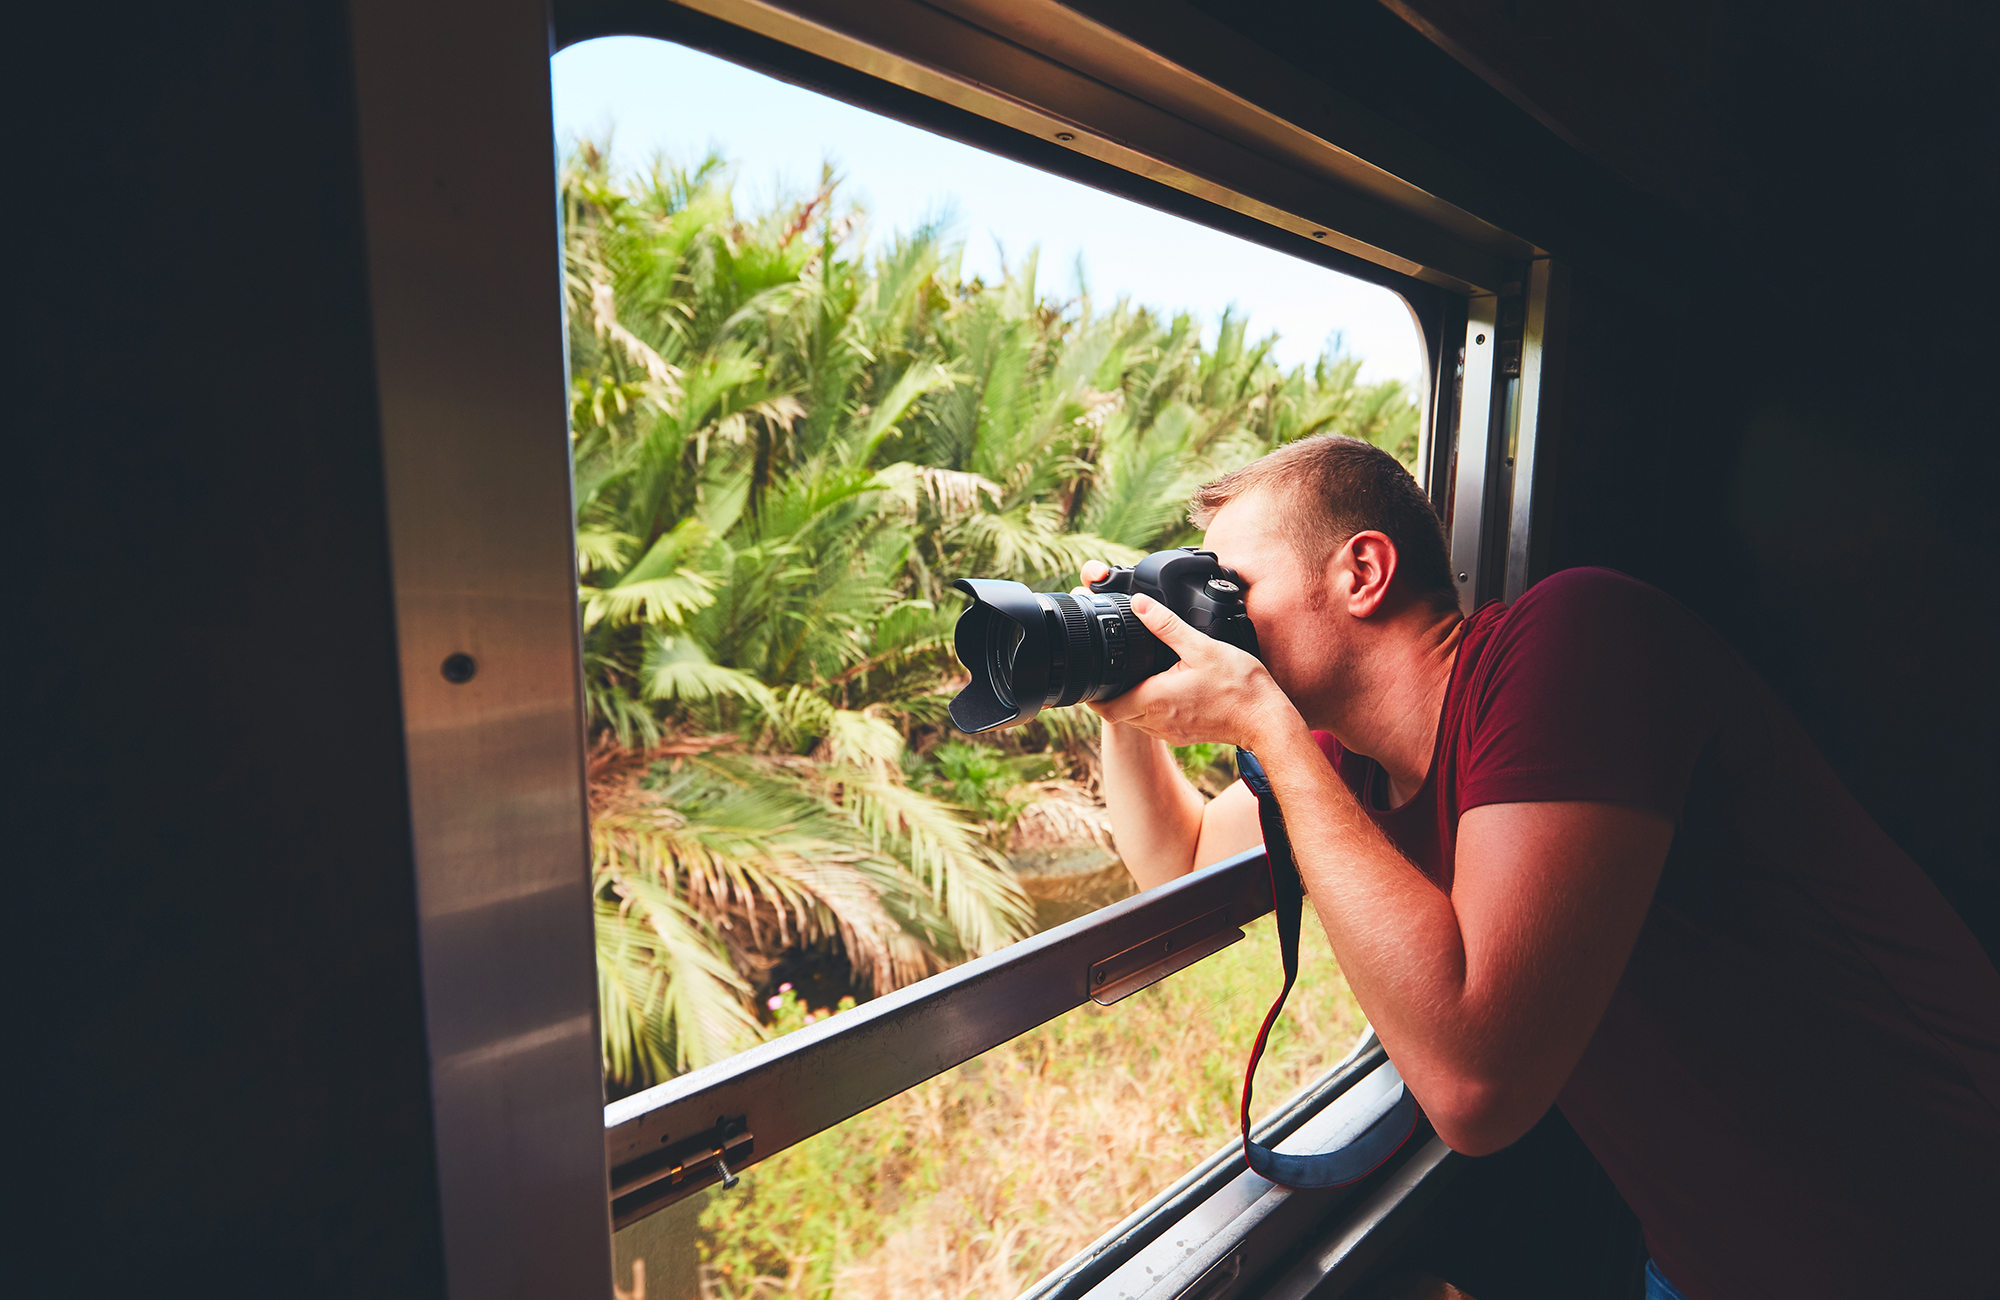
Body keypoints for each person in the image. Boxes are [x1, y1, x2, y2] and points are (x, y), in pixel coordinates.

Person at [1084, 433, 2000, 1300]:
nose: (1213, 624)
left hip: (1934, 1234)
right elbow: (1184, 864)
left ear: (1362, 571)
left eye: (1230, 587)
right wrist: (1109, 682)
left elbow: (1472, 1088)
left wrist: (1266, 728)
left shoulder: (1574, 639)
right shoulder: (1342, 762)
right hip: (1709, 1264)